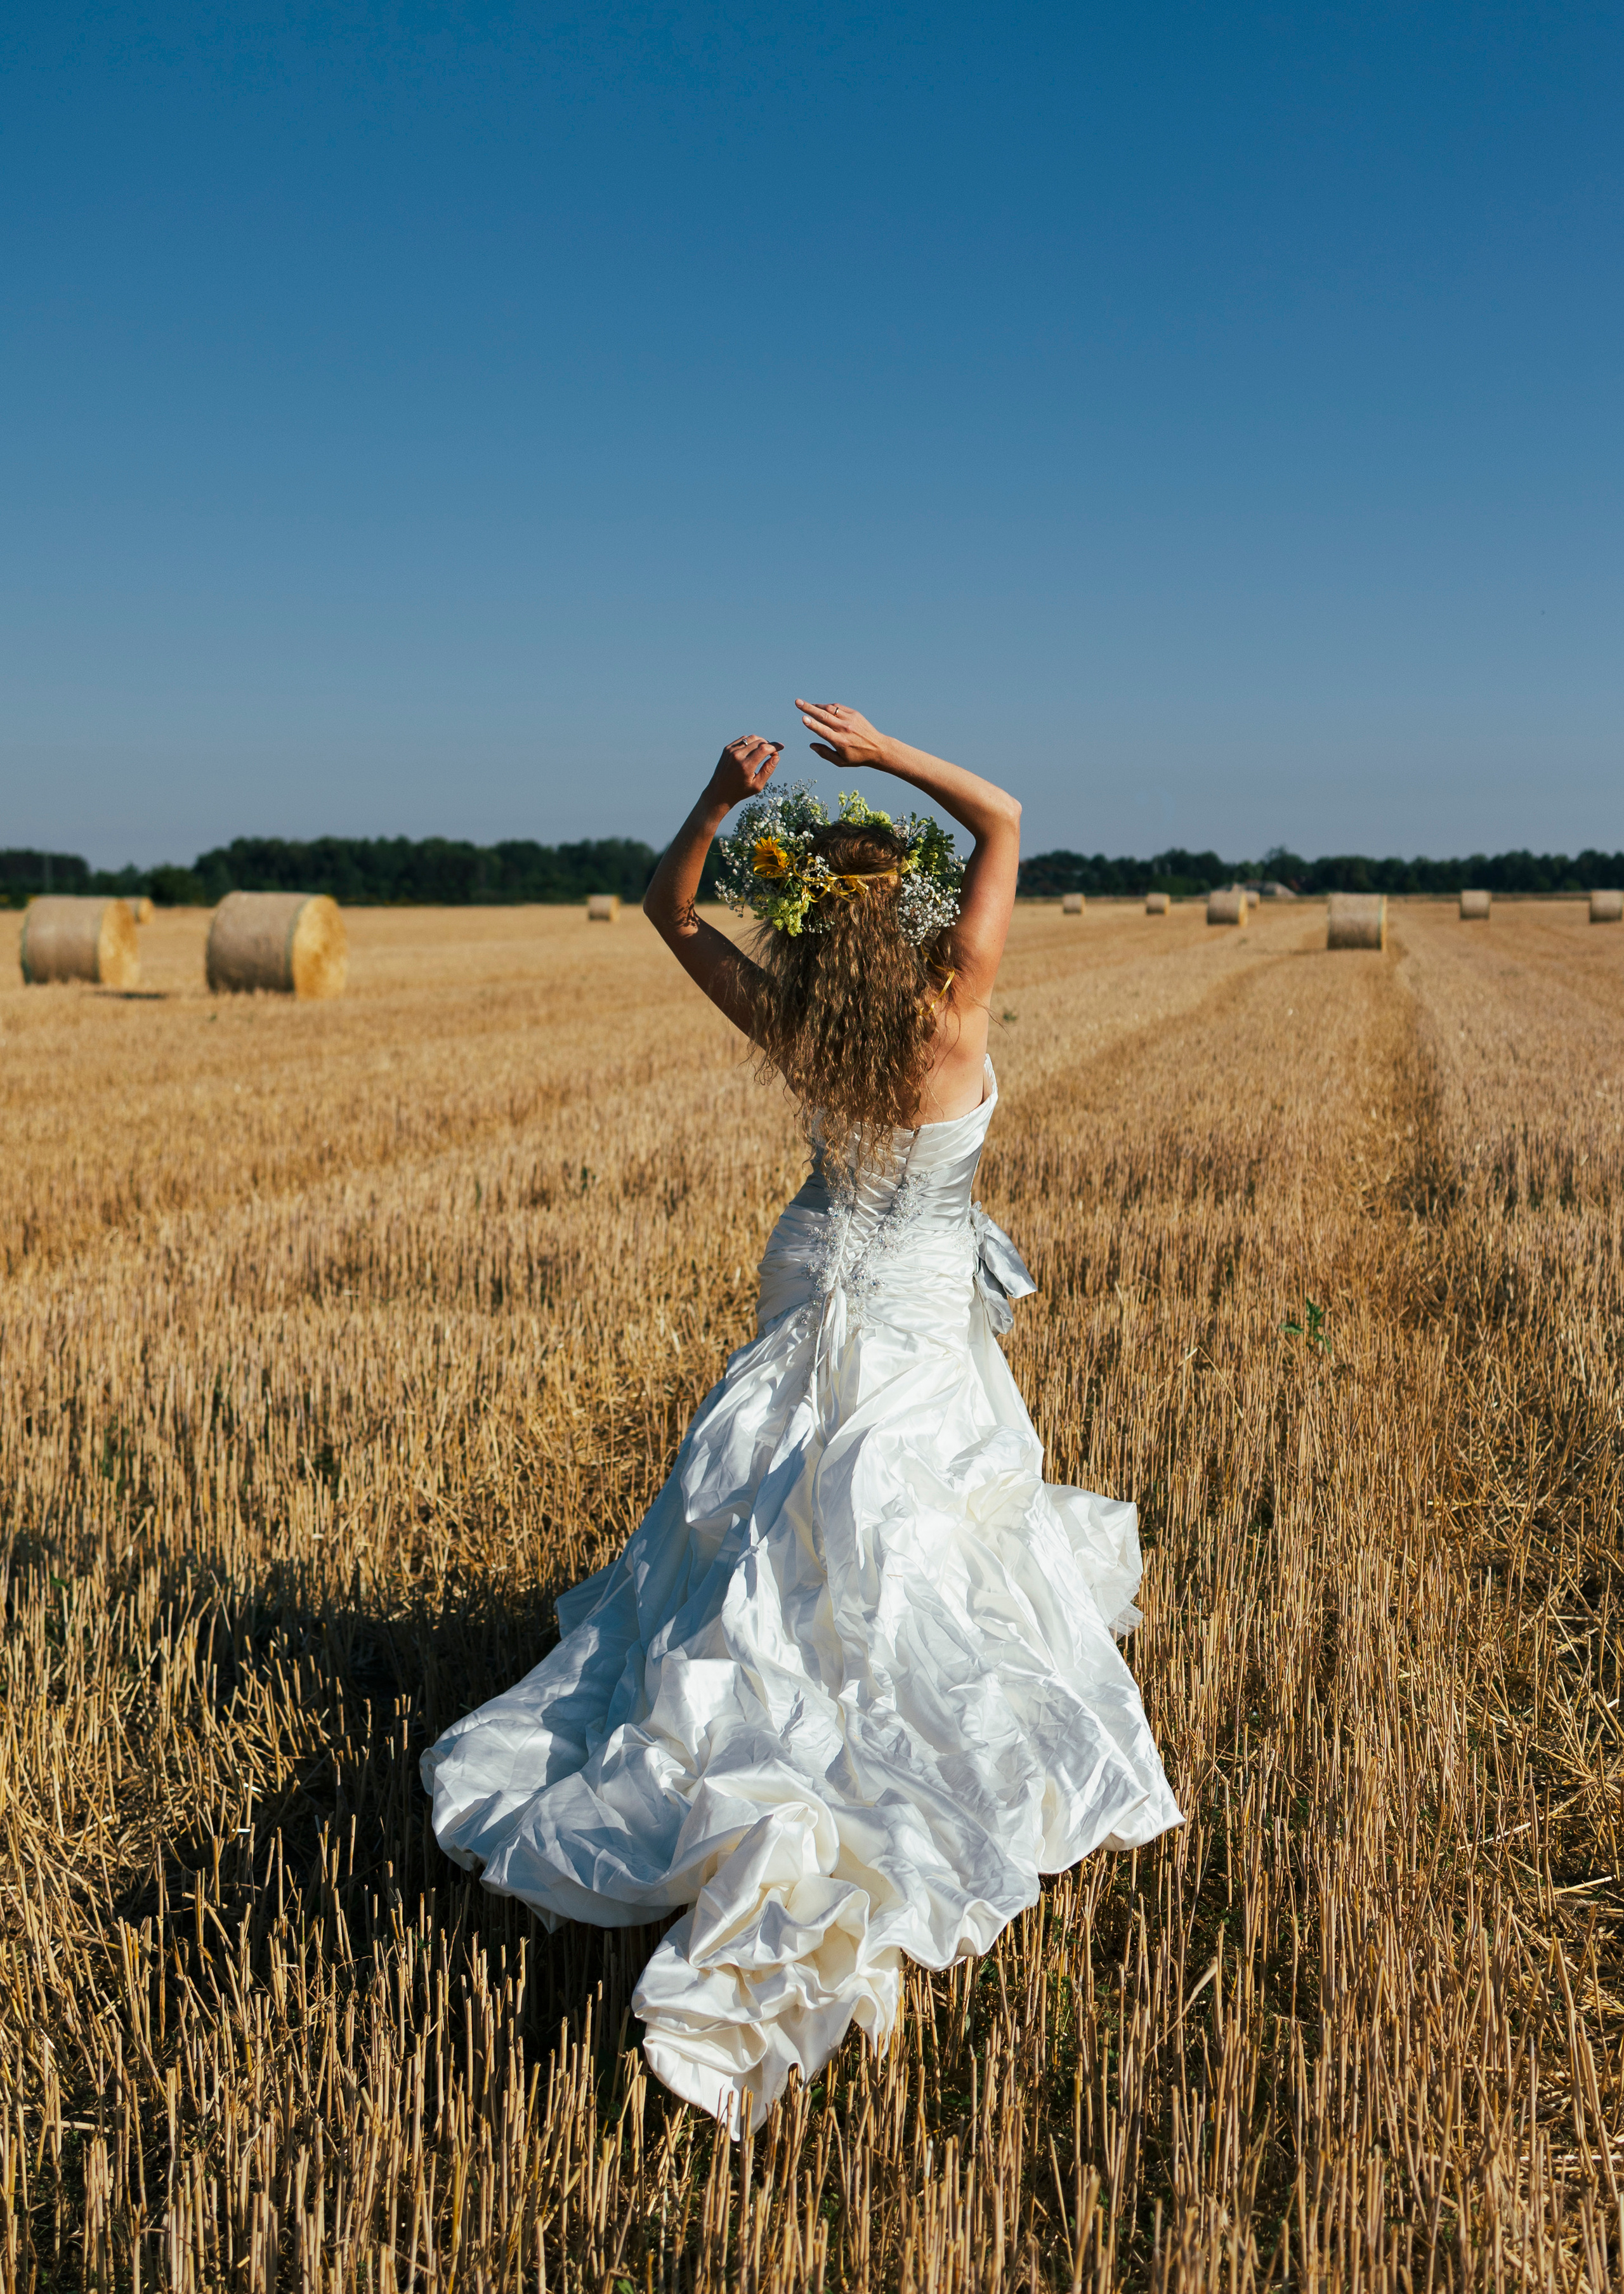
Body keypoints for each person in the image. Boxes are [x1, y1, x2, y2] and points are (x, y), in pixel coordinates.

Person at [422, 702, 1181, 2133]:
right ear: (904, 921)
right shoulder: (951, 1014)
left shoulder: (794, 1021)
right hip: (897, 1306)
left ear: (807, 934)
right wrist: (889, 757)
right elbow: (1005, 815)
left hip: (820, 1265)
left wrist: (719, 797)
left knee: (772, 1514)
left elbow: (665, 904)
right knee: (903, 1533)